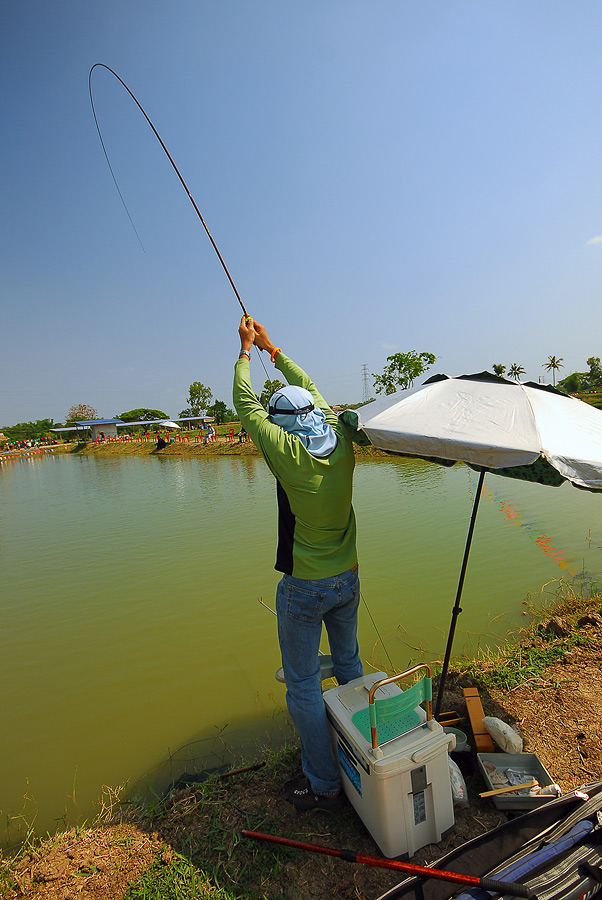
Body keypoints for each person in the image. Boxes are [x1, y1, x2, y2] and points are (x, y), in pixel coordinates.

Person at [233, 315, 363, 812]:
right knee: (348, 663)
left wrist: (247, 350)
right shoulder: (340, 437)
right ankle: (363, 743)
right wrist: (273, 350)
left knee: (304, 684)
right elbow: (307, 389)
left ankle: (325, 783)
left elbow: (246, 404)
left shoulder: (286, 450)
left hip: (305, 588)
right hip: (348, 579)